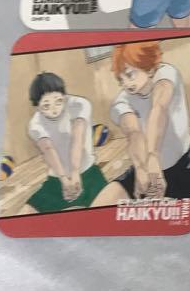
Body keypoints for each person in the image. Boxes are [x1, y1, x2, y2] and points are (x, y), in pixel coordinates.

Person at [108, 42, 190, 200]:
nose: (126, 83)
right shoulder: (121, 101)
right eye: (121, 79)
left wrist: (153, 156)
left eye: (130, 74)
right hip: (146, 171)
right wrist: (141, 168)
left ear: (149, 68)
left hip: (186, 165)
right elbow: (133, 132)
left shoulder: (166, 74)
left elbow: (159, 108)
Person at [19, 72, 122, 214]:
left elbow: (77, 137)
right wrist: (64, 179)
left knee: (105, 213)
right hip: (57, 180)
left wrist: (75, 173)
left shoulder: (79, 104)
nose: (54, 109)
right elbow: (48, 149)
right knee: (26, 213)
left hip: (88, 174)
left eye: (58, 101)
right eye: (46, 106)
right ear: (37, 107)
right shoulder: (35, 124)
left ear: (64, 96)